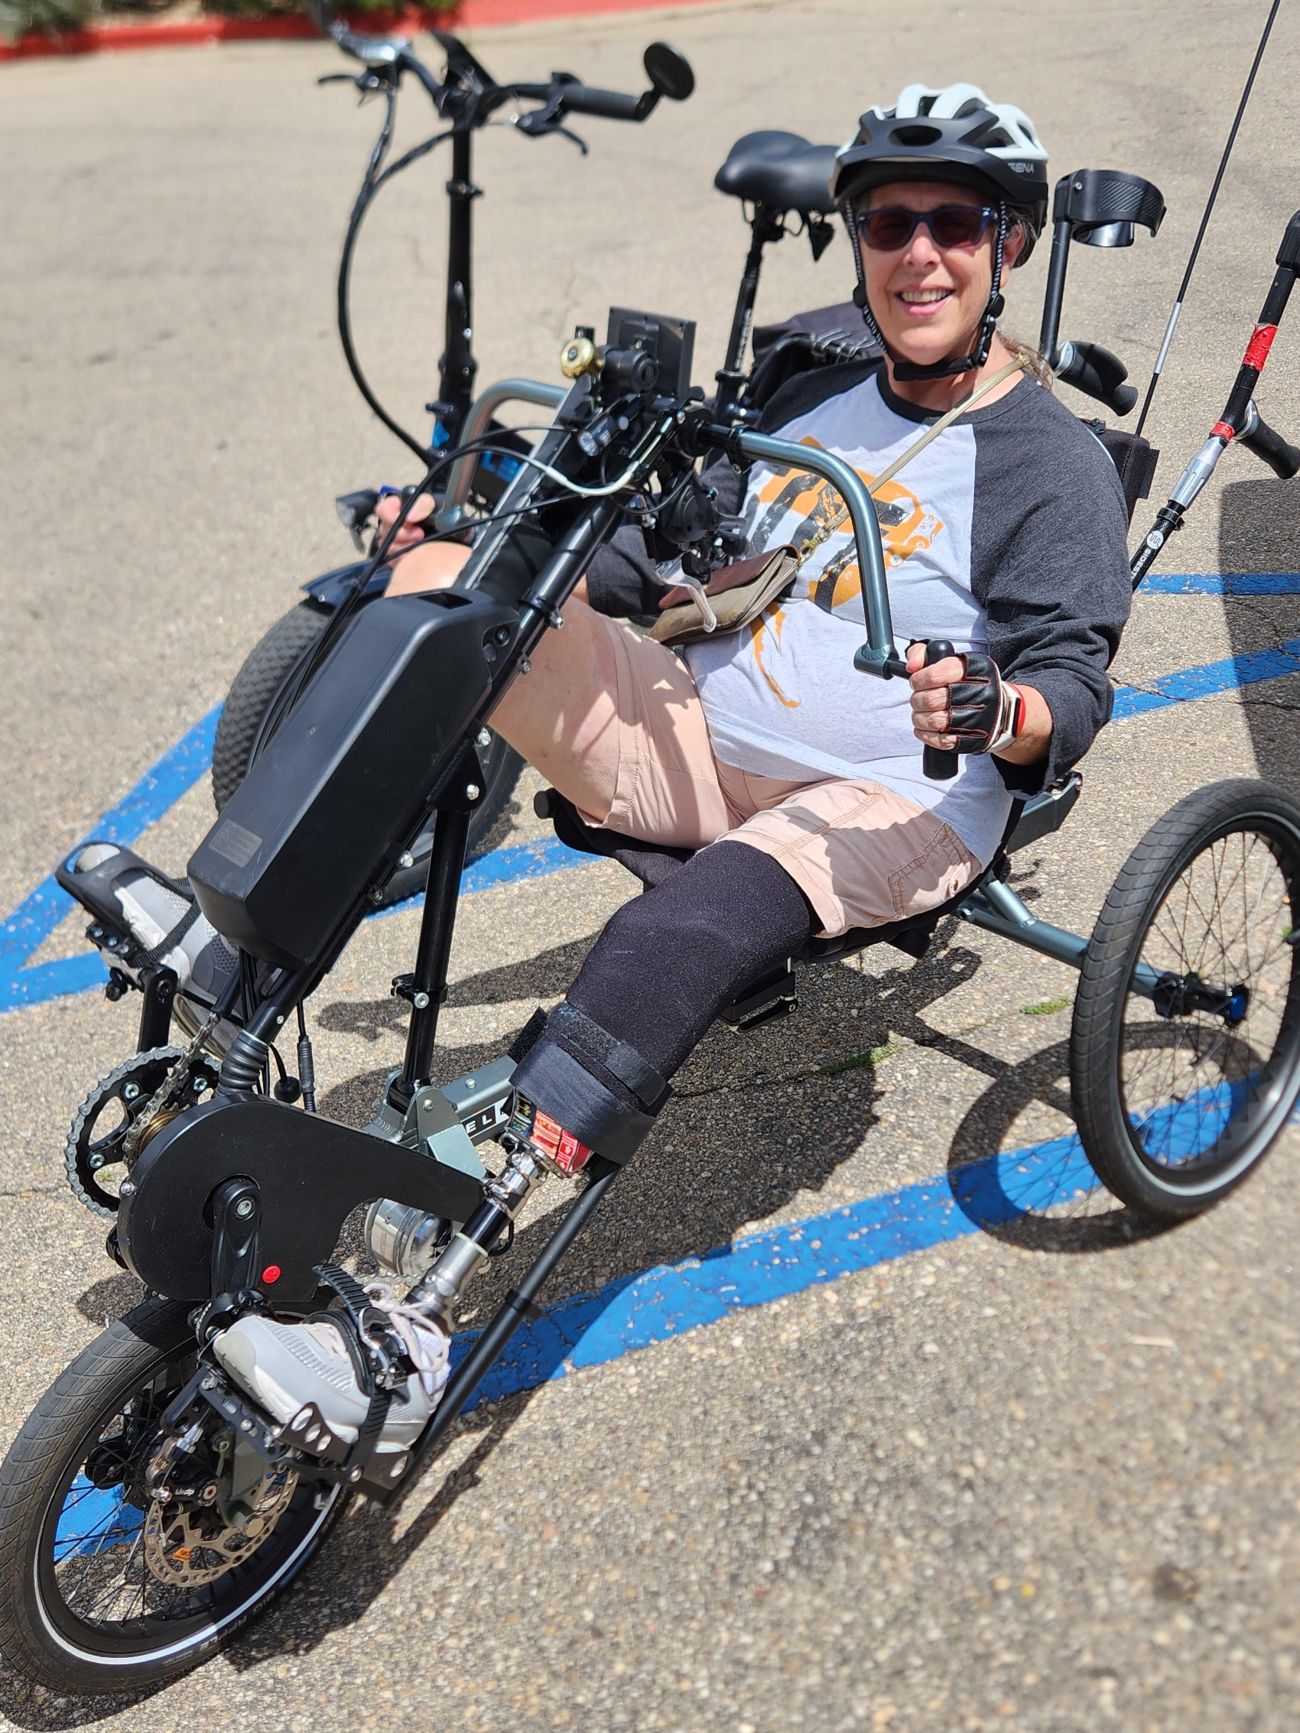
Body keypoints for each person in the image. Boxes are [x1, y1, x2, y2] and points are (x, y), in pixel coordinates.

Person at [73, 85, 1133, 1455]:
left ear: (1010, 245)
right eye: (888, 221)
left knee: (687, 919)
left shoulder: (1047, 460)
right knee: (450, 593)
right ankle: (231, 989)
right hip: (700, 721)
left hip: (899, 795)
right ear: (856, 237)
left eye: (956, 224)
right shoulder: (813, 374)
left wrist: (997, 707)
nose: (918, 253)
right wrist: (496, 532)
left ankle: (418, 1322)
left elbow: (1073, 685)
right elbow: (651, 552)